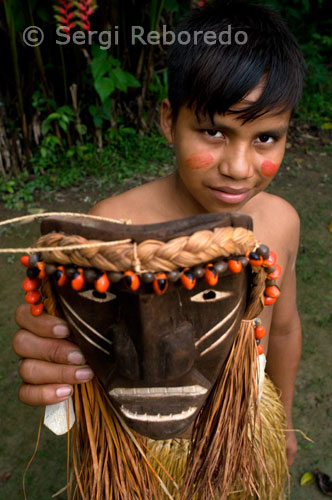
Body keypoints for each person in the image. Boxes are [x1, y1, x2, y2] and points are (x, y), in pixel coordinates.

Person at [13, 0, 304, 472]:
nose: (237, 167)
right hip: (137, 453)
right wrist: (57, 352)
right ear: (169, 120)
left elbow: (285, 328)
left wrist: (283, 418)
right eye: (213, 131)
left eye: (265, 138)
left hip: (241, 435)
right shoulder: (112, 225)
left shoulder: (282, 222)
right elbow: (80, 347)